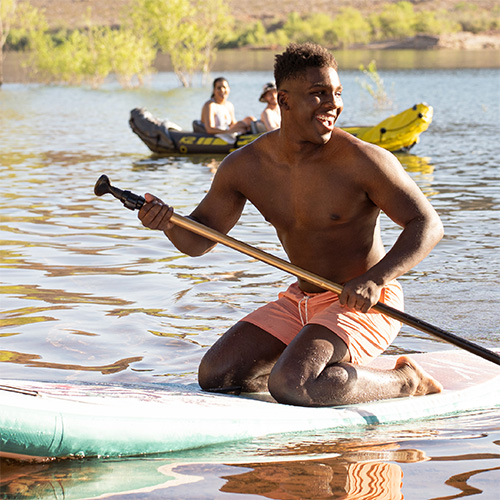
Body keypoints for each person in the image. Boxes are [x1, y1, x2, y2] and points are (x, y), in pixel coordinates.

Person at [138, 43, 444, 407]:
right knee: (217, 376)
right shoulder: (245, 166)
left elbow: (427, 224)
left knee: (293, 384)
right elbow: (200, 239)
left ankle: (406, 381)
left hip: (366, 301)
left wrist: (376, 278)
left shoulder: (364, 161)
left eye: (337, 93)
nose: (333, 104)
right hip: (300, 301)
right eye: (318, 94)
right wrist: (169, 224)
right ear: (283, 101)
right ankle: (307, 373)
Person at [200, 77, 255, 143]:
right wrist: (228, 132)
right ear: (214, 90)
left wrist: (242, 126)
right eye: (219, 88)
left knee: (250, 119)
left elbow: (232, 124)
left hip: (227, 131)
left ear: (229, 89)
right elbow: (209, 129)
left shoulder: (229, 105)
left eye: (224, 87)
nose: (222, 90)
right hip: (218, 134)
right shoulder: (210, 105)